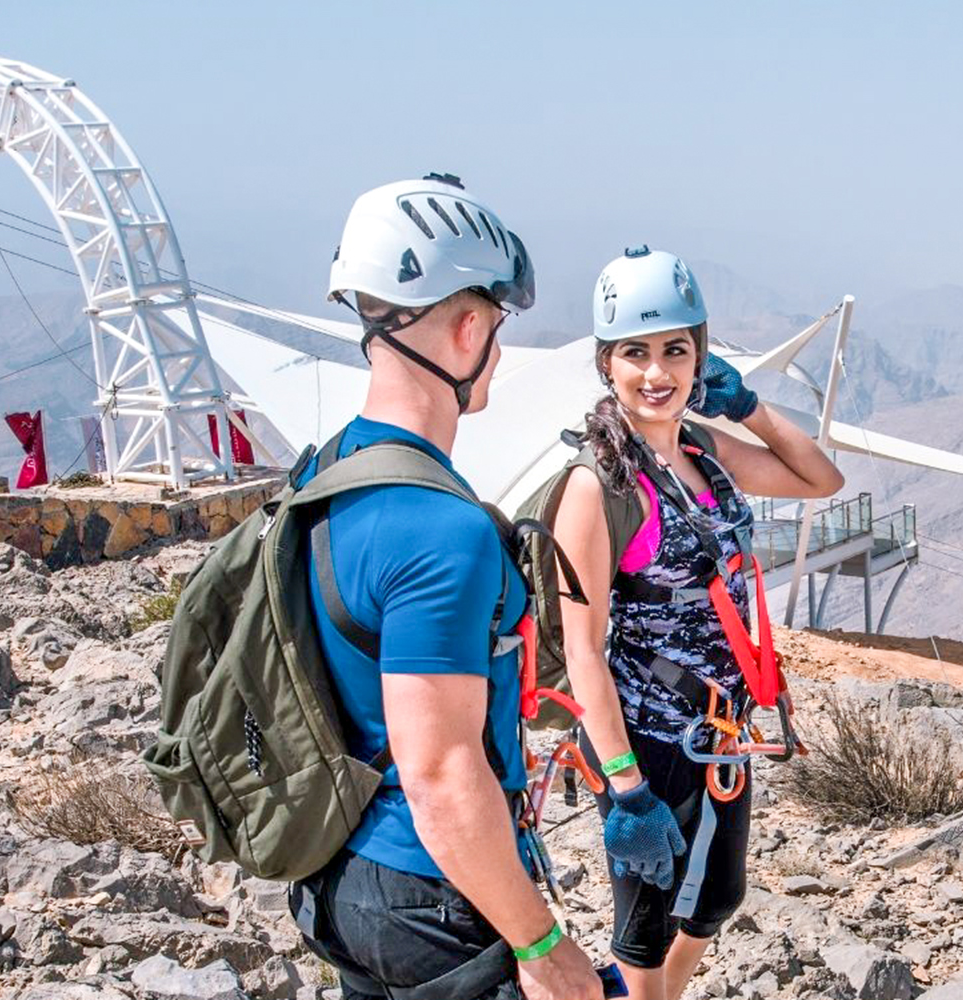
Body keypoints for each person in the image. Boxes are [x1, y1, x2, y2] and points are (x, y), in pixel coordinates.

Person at [287, 174, 604, 1000]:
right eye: (497, 325)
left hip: (340, 875)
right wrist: (543, 947)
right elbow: (439, 771)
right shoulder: (443, 530)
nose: (497, 347)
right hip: (431, 893)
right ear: (467, 327)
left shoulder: (324, 472)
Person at [551, 247, 844, 1000]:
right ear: (606, 365)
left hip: (720, 725)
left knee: (716, 898)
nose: (657, 373)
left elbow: (821, 478)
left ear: (700, 356)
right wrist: (626, 790)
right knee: (645, 931)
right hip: (646, 734)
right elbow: (583, 648)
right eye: (636, 354)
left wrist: (745, 406)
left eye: (675, 351)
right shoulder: (599, 484)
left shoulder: (701, 452)